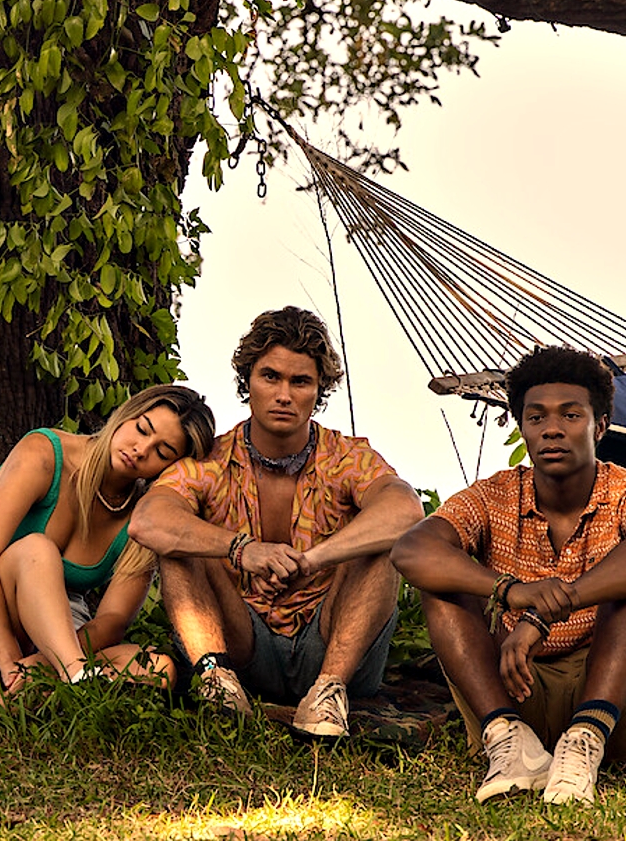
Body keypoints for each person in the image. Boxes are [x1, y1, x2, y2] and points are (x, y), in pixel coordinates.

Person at [393, 345, 626, 805]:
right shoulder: (493, 495)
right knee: (442, 583)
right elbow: (411, 550)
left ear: (600, 426)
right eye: (536, 417)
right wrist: (510, 591)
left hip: (616, 697)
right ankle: (508, 741)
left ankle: (585, 741)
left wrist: (544, 612)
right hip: (518, 687)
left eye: (571, 415)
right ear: (523, 428)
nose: (552, 429)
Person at [130, 306, 424, 738]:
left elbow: (406, 511)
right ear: (248, 381)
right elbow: (148, 521)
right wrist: (242, 550)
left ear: (318, 390)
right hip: (240, 644)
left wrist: (313, 560)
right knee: (178, 544)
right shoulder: (211, 461)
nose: (284, 395)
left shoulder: (346, 457)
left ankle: (327, 695)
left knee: (382, 545)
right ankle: (217, 686)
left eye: (300, 381)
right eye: (270, 377)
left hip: (331, 644)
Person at [0, 384, 217, 706]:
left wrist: (37, 667)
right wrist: (11, 664)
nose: (141, 449)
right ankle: (70, 678)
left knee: (156, 667)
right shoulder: (44, 453)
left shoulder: (145, 516)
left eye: (162, 453)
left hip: (60, 642)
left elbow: (112, 620)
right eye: (142, 429)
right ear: (126, 415)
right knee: (36, 550)